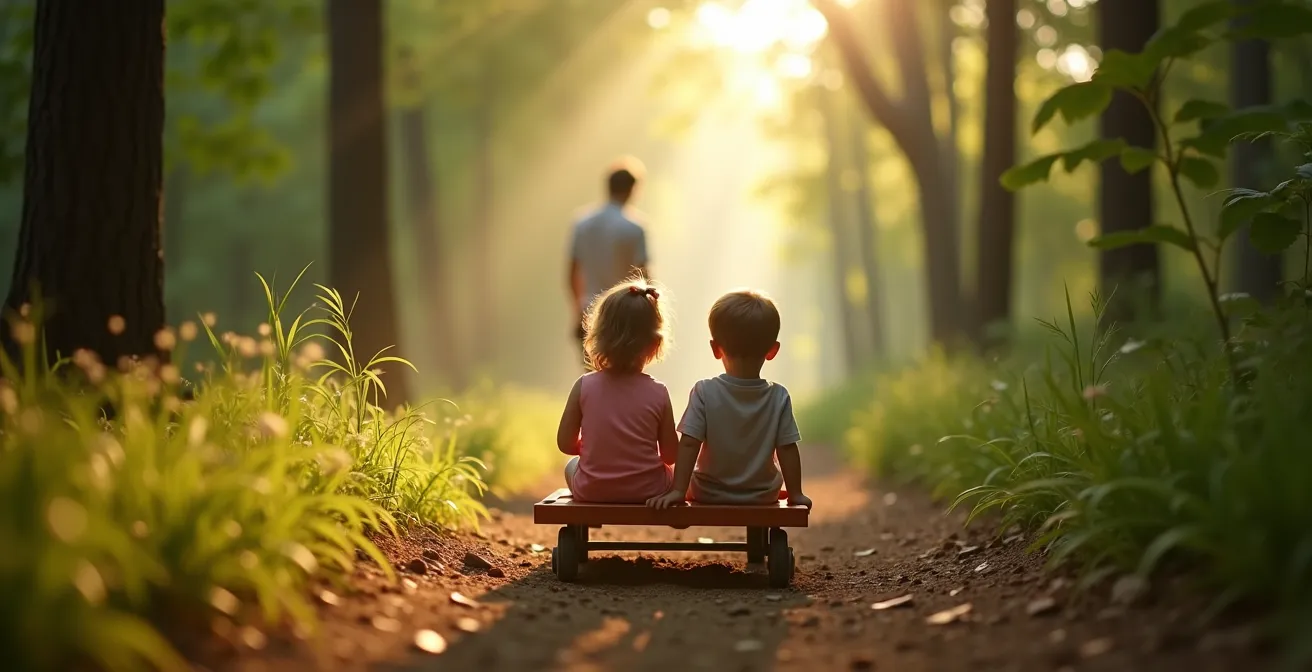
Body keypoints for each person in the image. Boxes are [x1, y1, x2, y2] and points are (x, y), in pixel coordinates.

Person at [647, 289, 812, 510]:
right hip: (762, 494)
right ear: (773, 351)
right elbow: (787, 449)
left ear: (716, 348)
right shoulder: (778, 396)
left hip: (707, 492)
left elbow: (689, 443)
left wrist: (678, 490)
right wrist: (796, 494)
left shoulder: (704, 391)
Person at [555, 278, 678, 503]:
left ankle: (583, 524)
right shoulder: (658, 391)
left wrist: (591, 448)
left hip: (592, 490)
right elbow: (671, 454)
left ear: (597, 337)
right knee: (680, 474)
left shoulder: (584, 385)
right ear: (655, 344)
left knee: (571, 466)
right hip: (650, 490)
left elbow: (565, 443)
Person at [567, 160, 650, 370]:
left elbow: (572, 272)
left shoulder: (582, 223)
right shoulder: (635, 227)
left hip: (589, 309)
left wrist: (578, 310)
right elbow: (644, 276)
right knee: (627, 377)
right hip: (626, 313)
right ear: (633, 189)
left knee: (591, 378)